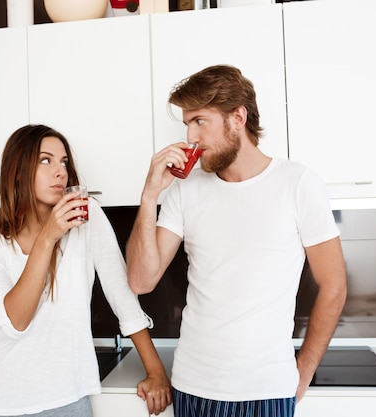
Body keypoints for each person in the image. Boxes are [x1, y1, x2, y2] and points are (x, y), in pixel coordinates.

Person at [126, 65, 347, 417]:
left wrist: (304, 368)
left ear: (238, 118)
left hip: (266, 391)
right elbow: (140, 279)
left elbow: (334, 285)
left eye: (199, 121)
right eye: (186, 124)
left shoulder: (298, 183)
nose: (190, 137)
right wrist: (150, 194)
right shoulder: (185, 189)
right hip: (193, 388)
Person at [0, 124, 171, 417]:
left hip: (66, 400)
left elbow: (121, 295)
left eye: (63, 162)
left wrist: (156, 372)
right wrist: (48, 236)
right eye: (45, 160)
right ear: (18, 171)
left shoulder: (87, 217)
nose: (60, 171)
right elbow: (15, 322)